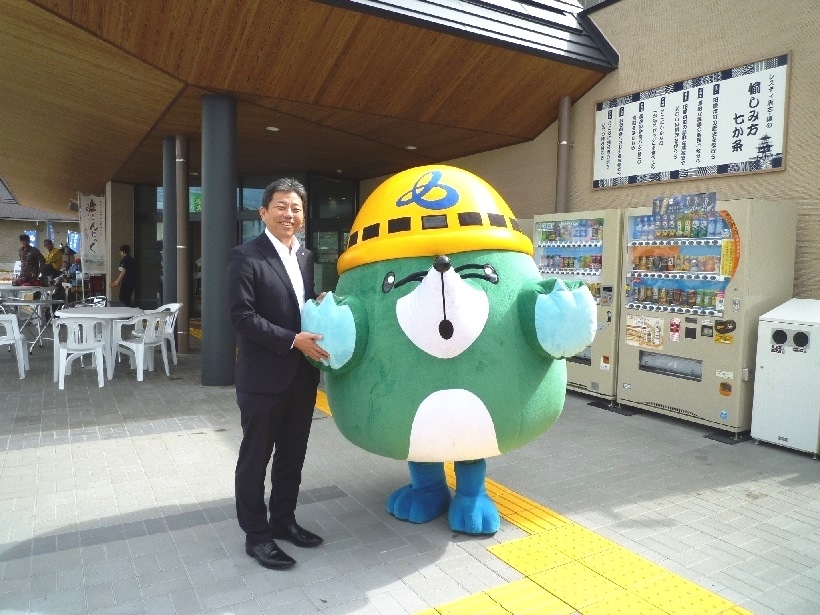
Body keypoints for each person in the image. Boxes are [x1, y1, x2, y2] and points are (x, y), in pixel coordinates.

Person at [226, 178, 330, 570]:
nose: (290, 214)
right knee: (255, 459)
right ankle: (257, 536)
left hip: (301, 378)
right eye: (282, 206)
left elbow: (297, 303)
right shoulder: (245, 256)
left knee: (292, 455)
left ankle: (284, 520)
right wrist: (292, 340)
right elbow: (241, 317)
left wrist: (317, 304)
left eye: (296, 208)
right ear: (264, 212)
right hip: (263, 379)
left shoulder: (304, 257)